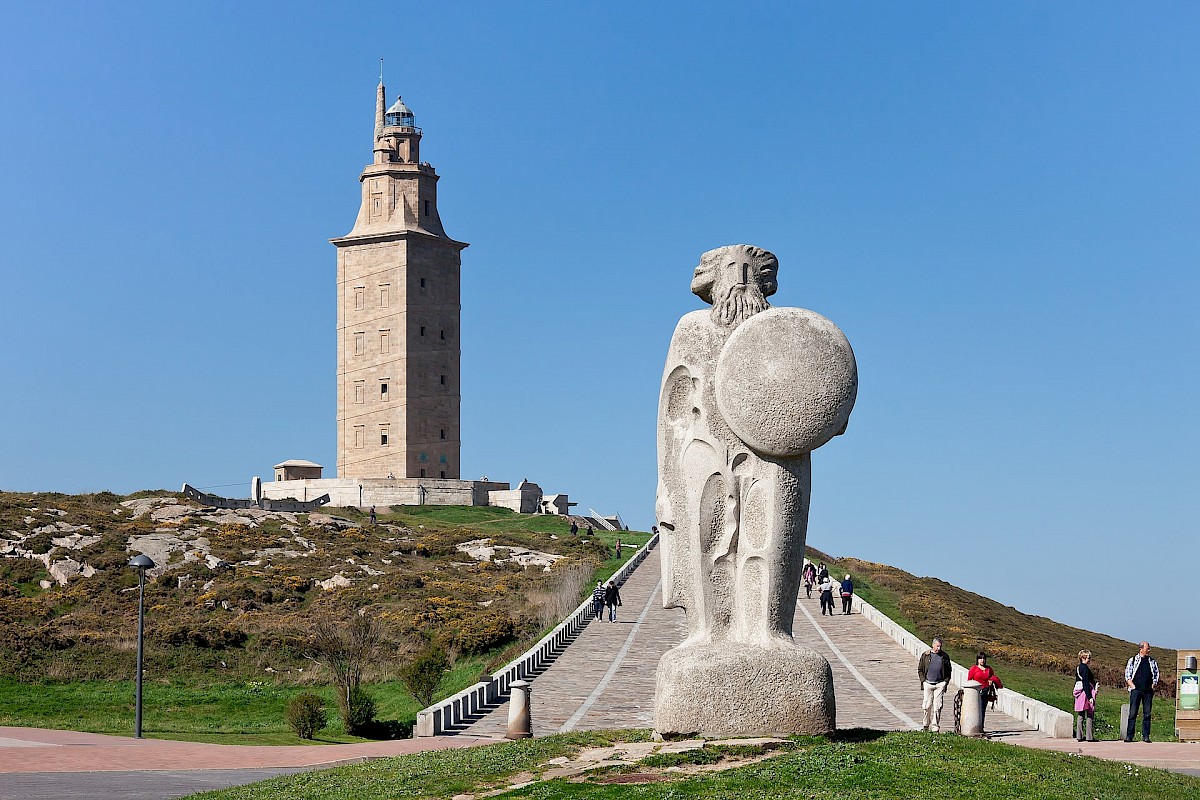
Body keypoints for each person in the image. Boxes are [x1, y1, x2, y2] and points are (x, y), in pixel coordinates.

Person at [1124, 641, 1160, 743]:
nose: (1149, 650)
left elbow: (1156, 674)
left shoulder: (1152, 661)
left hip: (1148, 691)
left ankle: (1146, 736)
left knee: (1147, 714)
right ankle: (1129, 736)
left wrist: (1153, 685)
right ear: (1141, 649)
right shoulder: (1133, 660)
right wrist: (1133, 687)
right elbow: (1128, 675)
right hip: (1136, 690)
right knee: (1132, 713)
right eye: (1147, 648)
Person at [918, 637, 953, 732]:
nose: (939, 648)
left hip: (940, 684)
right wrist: (923, 681)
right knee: (927, 706)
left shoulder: (945, 656)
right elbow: (920, 669)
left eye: (940, 646)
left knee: (937, 706)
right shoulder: (926, 655)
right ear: (933, 645)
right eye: (937, 646)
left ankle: (935, 727)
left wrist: (945, 682)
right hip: (928, 684)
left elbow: (949, 670)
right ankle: (925, 725)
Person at [967, 652, 1003, 733]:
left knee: (982, 710)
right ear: (977, 660)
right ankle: (973, 726)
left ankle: (981, 727)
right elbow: (969, 680)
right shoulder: (974, 669)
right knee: (975, 710)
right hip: (976, 692)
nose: (982, 660)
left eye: (983, 658)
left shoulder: (989, 669)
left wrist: (991, 681)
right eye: (980, 658)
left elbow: (992, 677)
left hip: (985, 692)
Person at [1074, 650, 1098, 742]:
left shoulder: (1079, 668)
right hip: (1086, 693)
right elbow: (1086, 683)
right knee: (1089, 713)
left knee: (1081, 714)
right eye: (1088, 658)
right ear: (1084, 658)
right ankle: (1089, 736)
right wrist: (1090, 697)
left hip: (1080, 693)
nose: (1090, 659)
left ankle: (1079, 735)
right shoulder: (1085, 669)